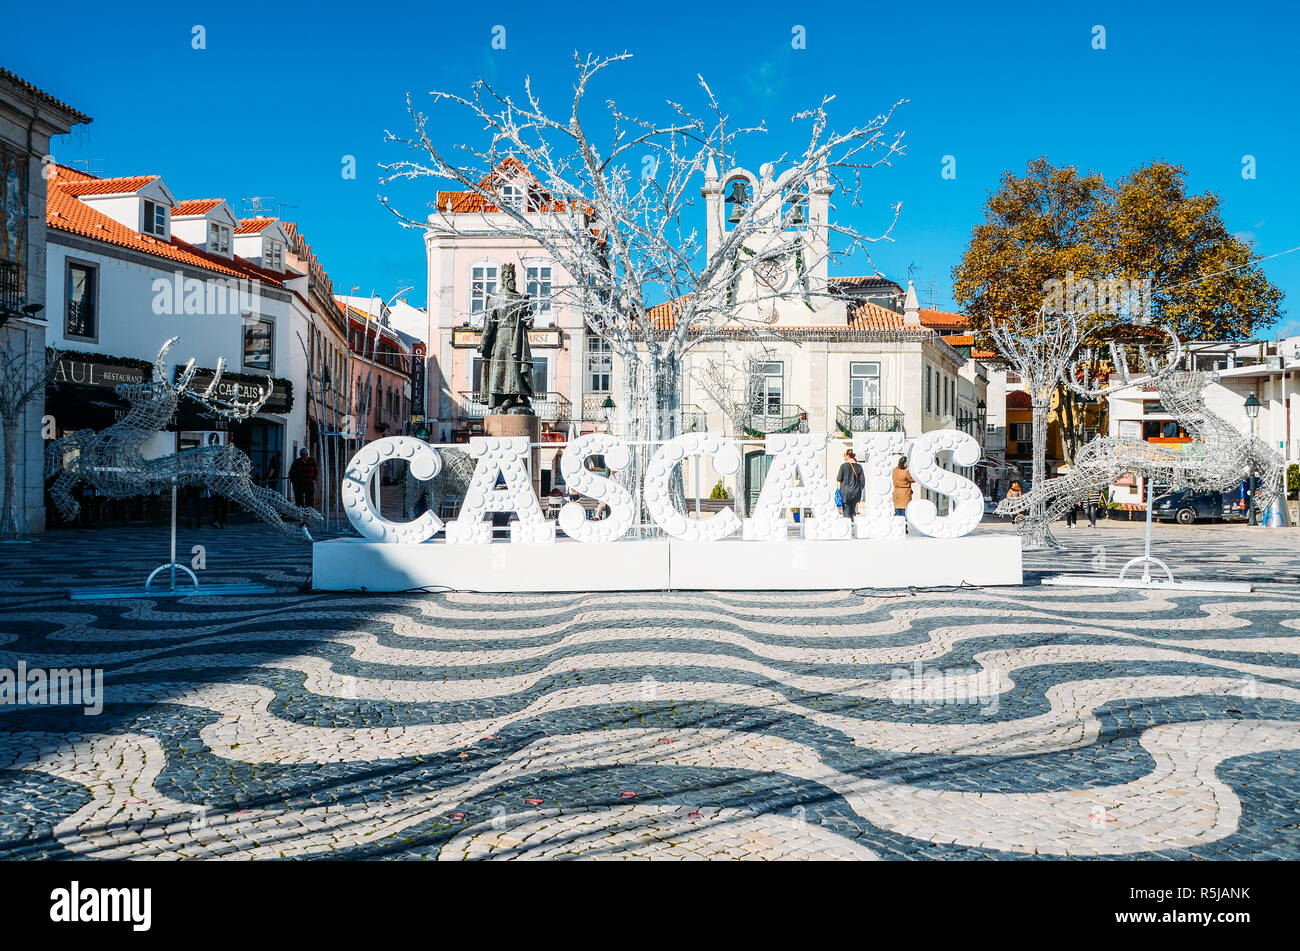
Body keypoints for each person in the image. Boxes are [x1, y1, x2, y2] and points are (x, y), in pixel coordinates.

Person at [835, 449, 865, 520]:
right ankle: (853, 526)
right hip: (855, 493)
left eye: (844, 455)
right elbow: (862, 482)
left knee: (846, 512)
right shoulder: (859, 467)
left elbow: (839, 479)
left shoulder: (843, 466)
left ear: (848, 455)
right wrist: (858, 490)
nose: (844, 457)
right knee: (853, 512)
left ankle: (848, 527)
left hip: (845, 493)